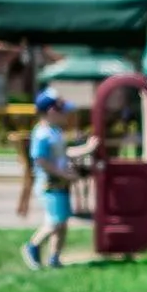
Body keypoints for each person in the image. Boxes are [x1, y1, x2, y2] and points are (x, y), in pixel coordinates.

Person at [21, 88, 98, 269]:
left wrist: (86, 149)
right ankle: (32, 246)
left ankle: (55, 258)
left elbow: (65, 153)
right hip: (49, 185)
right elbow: (40, 160)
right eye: (63, 111)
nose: (66, 115)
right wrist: (63, 173)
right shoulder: (42, 134)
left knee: (62, 222)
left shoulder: (55, 132)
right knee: (55, 221)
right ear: (51, 112)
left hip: (60, 185)